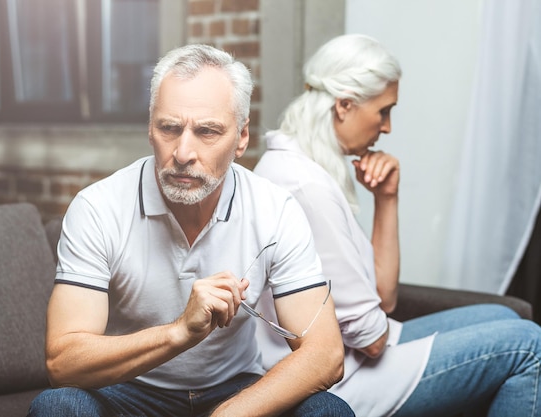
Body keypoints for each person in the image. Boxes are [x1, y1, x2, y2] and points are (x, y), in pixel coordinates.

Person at [27, 44, 355, 417]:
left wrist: (227, 415)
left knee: (328, 411)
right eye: (170, 128)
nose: (183, 152)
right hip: (128, 390)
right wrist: (179, 331)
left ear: (242, 138)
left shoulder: (275, 210)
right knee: (56, 407)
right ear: (150, 128)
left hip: (233, 391)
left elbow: (325, 355)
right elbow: (62, 362)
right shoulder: (98, 208)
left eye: (207, 132)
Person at [253, 33, 541, 417]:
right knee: (528, 344)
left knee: (505, 317)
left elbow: (384, 301)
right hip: (346, 377)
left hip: (358, 351)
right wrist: (380, 326)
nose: (387, 128)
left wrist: (387, 197)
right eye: (383, 112)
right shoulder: (306, 186)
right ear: (344, 106)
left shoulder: (306, 164)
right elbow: (372, 339)